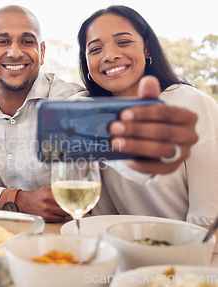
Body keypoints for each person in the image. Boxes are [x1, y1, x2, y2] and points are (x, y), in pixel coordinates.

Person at [0, 5, 198, 222]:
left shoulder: (70, 100)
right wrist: (16, 199)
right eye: (2, 41)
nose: (15, 52)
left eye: (27, 42)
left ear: (41, 52)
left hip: (67, 236)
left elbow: (110, 160)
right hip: (5, 236)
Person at [77, 5, 218, 224]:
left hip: (191, 253)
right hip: (121, 250)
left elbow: (209, 215)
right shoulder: (90, 118)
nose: (110, 55)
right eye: (95, 49)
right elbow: (98, 214)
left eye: (123, 42)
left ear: (147, 49)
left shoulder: (190, 104)